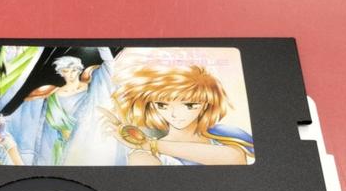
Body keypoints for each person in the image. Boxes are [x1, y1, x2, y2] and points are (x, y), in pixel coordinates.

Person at [106, 64, 255, 166]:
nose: (174, 114)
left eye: (189, 105)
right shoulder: (142, 155)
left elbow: (235, 159)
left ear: (206, 104)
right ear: (152, 105)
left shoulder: (223, 134)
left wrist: (150, 144)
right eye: (162, 105)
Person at [6, 49, 115, 165]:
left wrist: (103, 47)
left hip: (84, 141)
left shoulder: (92, 87)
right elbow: (28, 114)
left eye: (74, 70)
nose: (70, 75)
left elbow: (109, 66)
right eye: (66, 71)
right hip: (53, 144)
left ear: (79, 70)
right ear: (61, 73)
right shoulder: (52, 93)